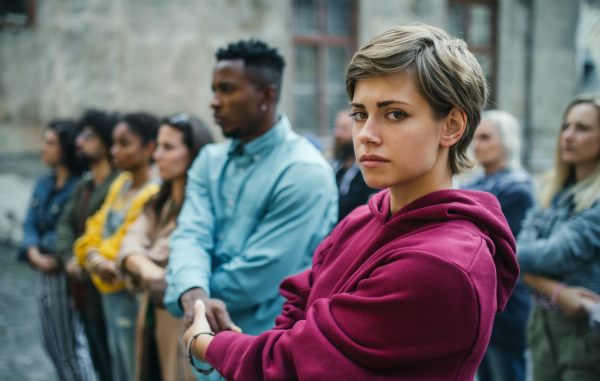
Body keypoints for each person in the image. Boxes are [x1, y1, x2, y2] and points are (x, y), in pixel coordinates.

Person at [183, 25, 519, 380]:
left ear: (450, 126)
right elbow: (297, 306)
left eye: (394, 114)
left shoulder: (445, 263)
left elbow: (296, 364)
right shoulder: (361, 218)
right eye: (360, 114)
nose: (367, 135)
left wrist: (205, 344)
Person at [164, 39, 338, 371]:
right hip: (203, 349)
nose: (214, 102)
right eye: (214, 89)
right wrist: (191, 289)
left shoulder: (304, 171)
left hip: (265, 355)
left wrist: (180, 290)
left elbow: (259, 275)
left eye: (227, 90)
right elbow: (190, 234)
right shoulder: (209, 160)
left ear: (267, 96)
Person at [116, 114, 214, 381]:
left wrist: (138, 261)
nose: (157, 155)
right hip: (149, 314)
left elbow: (152, 251)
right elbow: (127, 244)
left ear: (194, 152)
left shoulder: (202, 205)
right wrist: (154, 273)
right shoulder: (159, 201)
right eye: (157, 146)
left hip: (177, 323)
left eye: (168, 148)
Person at [516, 94, 600, 380]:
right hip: (541, 320)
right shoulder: (553, 189)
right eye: (566, 125)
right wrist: (557, 292)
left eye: (583, 128)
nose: (568, 135)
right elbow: (517, 255)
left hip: (584, 332)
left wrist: (516, 260)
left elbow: (546, 254)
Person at [74, 113, 160, 381]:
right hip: (108, 292)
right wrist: (93, 256)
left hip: (130, 295)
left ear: (148, 148)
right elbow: (95, 225)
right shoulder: (121, 184)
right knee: (118, 365)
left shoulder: (152, 192)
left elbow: (121, 244)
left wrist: (92, 257)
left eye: (124, 143)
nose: (114, 151)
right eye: (113, 143)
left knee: (135, 366)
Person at [461, 111, 534, 381]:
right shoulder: (474, 186)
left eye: (485, 137)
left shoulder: (517, 190)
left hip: (506, 302)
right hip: (479, 303)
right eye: (475, 138)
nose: (476, 145)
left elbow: (495, 250)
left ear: (508, 143)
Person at [19, 120, 93, 381]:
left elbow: (68, 231)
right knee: (52, 346)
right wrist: (34, 254)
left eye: (50, 142)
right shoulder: (43, 183)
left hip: (64, 274)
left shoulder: (80, 187)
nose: (43, 147)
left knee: (70, 347)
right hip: (44, 270)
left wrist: (41, 248)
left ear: (66, 148)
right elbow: (28, 224)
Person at [55, 109, 120, 381]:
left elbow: (105, 234)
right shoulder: (84, 185)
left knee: (114, 362)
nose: (79, 141)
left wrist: (86, 259)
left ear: (107, 142)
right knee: (96, 356)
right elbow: (65, 225)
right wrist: (70, 258)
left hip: (107, 290)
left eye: (89, 136)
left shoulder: (118, 184)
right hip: (81, 287)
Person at [331, 109, 377, 221]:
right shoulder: (335, 167)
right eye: (337, 127)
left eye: (344, 128)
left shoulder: (367, 174)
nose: (337, 133)